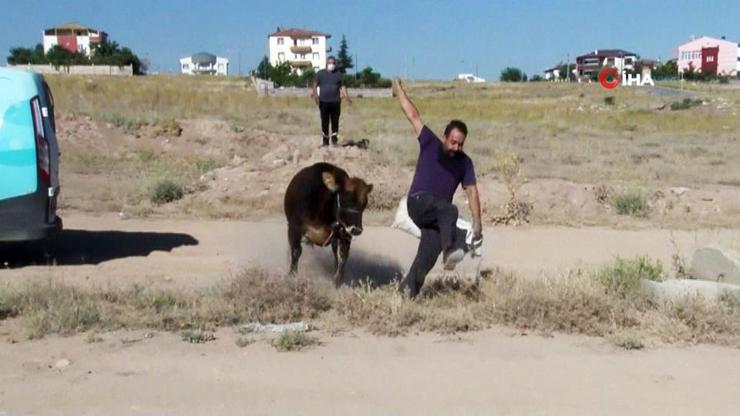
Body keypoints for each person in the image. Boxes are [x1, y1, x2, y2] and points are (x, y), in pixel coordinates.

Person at [393, 78, 483, 298]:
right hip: (419, 202)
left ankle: (406, 294)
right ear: (445, 137)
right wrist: (398, 91)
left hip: (436, 218)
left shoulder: (465, 162)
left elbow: (471, 190)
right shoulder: (430, 143)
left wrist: (478, 221)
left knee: (426, 258)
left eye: (460, 143)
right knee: (450, 210)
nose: (456, 147)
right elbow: (412, 115)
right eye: (453, 141)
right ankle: (450, 250)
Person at [311, 56, 352, 146]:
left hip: (335, 102)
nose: (332, 65)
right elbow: (314, 85)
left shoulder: (338, 74)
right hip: (323, 102)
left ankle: (334, 140)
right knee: (324, 122)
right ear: (326, 63)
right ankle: (325, 142)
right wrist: (316, 96)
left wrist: (347, 97)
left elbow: (343, 87)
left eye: (333, 63)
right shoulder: (320, 74)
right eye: (330, 63)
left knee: (335, 121)